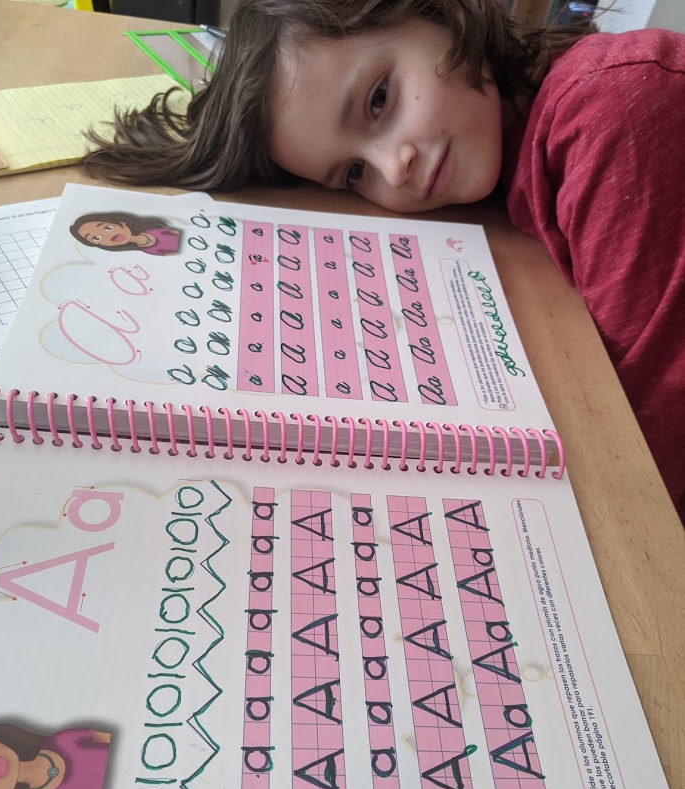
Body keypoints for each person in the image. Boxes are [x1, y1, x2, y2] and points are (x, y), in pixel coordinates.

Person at [83, 0, 685, 519]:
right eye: (353, 173)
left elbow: (644, 461)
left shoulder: (614, 109)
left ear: (435, 13)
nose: (394, 169)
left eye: (378, 99)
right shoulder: (509, 146)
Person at [70, 211, 181, 255]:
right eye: (96, 238)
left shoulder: (152, 228)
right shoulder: (146, 250)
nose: (107, 235)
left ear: (121, 223)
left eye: (108, 228)